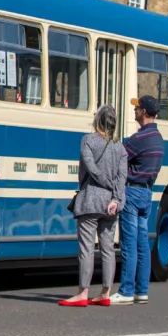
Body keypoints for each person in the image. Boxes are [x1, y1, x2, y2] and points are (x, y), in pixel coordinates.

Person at [59, 104, 127, 307]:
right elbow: (122, 178)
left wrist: (104, 185)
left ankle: (83, 292)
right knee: (108, 249)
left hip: (91, 200)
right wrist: (115, 197)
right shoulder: (120, 148)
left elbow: (90, 169)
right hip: (111, 205)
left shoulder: (87, 141)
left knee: (87, 249)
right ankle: (106, 292)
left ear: (97, 121)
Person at [111, 95, 166, 305]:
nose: (134, 111)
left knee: (128, 243)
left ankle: (126, 290)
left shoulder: (139, 139)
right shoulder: (158, 139)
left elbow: (119, 161)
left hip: (132, 193)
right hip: (147, 193)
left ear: (144, 112)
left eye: (137, 108)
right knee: (143, 244)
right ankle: (142, 291)